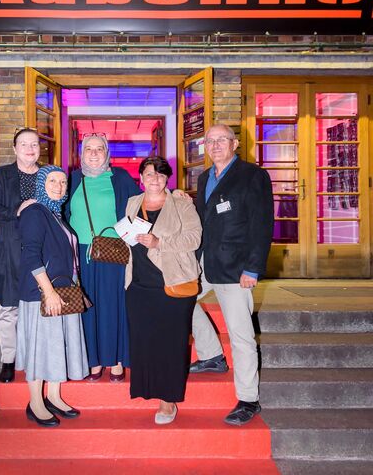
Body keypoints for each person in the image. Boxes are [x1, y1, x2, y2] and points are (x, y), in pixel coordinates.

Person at [190, 123, 274, 426]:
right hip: (205, 263)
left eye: (221, 140)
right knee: (180, 302)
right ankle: (212, 354)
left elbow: (262, 224)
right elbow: (203, 220)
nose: (214, 146)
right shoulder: (204, 178)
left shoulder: (253, 175)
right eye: (209, 141)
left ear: (234, 143)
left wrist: (253, 268)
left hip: (238, 268)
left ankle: (249, 399)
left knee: (241, 336)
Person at [125, 156, 202, 424]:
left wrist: (160, 242)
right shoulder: (133, 202)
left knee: (171, 344)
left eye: (159, 175)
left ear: (166, 178)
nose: (154, 180)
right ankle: (147, 389)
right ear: (141, 178)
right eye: (149, 174)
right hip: (138, 285)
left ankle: (168, 401)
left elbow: (194, 238)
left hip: (172, 283)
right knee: (145, 342)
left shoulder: (180, 202)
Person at [16, 165, 88, 426]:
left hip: (63, 291)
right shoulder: (35, 212)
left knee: (58, 345)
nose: (59, 186)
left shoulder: (55, 213)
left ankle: (54, 396)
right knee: (40, 348)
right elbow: (31, 254)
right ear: (41, 184)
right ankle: (35, 402)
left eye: (62, 182)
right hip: (41, 294)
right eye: (52, 181)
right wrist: (48, 292)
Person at [66, 134, 140, 381]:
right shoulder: (72, 178)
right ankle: (94, 361)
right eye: (89, 149)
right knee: (87, 308)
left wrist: (175, 194)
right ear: (82, 153)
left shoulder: (119, 178)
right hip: (81, 256)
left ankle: (117, 360)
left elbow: (144, 201)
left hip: (111, 252)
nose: (94, 153)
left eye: (99, 149)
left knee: (113, 306)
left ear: (107, 153)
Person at [0, 128, 40, 383]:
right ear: (15, 149)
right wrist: (19, 209)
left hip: (39, 249)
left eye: (34, 144)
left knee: (38, 308)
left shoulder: (48, 175)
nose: (30, 149)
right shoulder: (1, 175)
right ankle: (9, 358)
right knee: (8, 307)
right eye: (24, 144)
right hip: (7, 248)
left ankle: (35, 357)